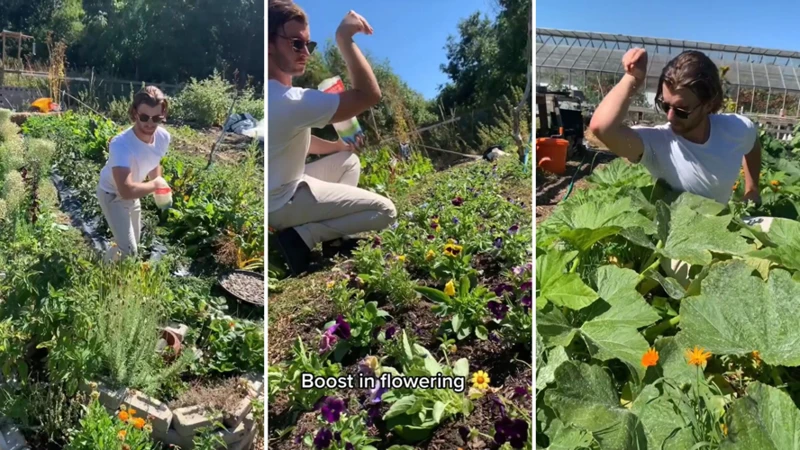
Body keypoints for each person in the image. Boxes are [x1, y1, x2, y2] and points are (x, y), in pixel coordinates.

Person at [267, 0, 397, 276]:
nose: (306, 53)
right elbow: (368, 95)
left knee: (347, 161)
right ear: (267, 44)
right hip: (280, 202)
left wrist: (338, 145)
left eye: (308, 45)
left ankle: (337, 239)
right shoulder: (287, 100)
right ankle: (303, 237)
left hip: (284, 188)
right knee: (386, 212)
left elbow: (297, 141)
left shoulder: (274, 95)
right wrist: (344, 39)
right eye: (296, 44)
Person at [589, 48, 762, 205]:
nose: (670, 116)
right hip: (675, 238)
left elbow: (753, 144)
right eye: (665, 105)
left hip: (718, 234)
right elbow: (602, 128)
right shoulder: (657, 144)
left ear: (708, 105)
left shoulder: (736, 128)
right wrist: (633, 78)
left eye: (682, 110)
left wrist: (752, 188)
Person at [97, 86, 171, 260]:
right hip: (113, 195)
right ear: (134, 113)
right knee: (129, 251)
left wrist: (158, 181)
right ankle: (105, 271)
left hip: (133, 195)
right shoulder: (121, 144)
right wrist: (156, 184)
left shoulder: (163, 137)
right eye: (144, 117)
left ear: (163, 115)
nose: (150, 123)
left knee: (133, 245)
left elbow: (153, 161)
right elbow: (125, 190)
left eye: (156, 118)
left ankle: (112, 263)